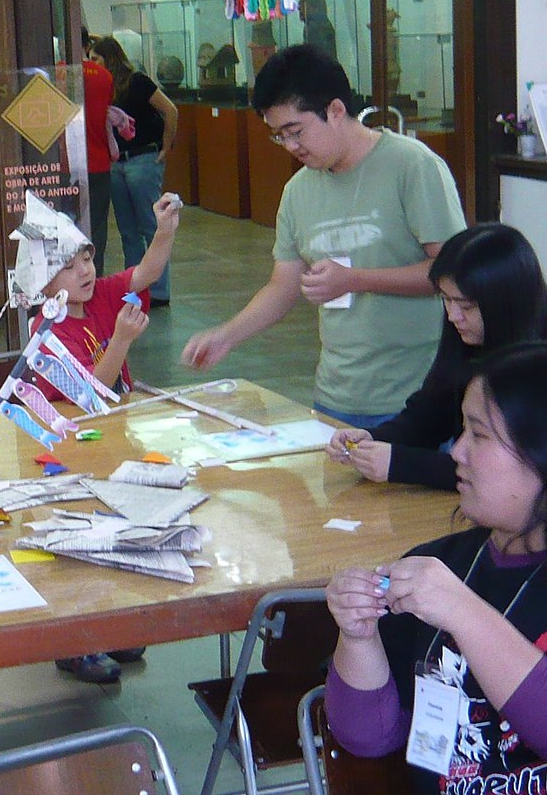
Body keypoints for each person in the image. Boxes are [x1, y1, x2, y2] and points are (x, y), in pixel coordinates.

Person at [182, 44, 467, 427]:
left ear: (335, 110)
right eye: (278, 136)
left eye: (295, 131)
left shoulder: (413, 167)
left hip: (418, 396)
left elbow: (454, 273)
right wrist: (227, 335)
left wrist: (355, 279)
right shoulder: (299, 191)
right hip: (336, 396)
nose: (290, 147)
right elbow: (283, 287)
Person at [324, 343, 547, 793]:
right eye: (462, 430)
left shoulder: (445, 589)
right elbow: (369, 738)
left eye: (480, 435)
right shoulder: (441, 566)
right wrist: (357, 637)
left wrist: (461, 611)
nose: (457, 452)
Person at [11, 190, 181, 683]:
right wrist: (124, 340)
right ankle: (75, 641)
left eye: (86, 256)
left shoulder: (98, 297)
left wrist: (165, 230)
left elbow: (144, 273)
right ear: (44, 282)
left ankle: (109, 626)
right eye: (69, 265)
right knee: (76, 545)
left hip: (107, 443)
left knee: (117, 535)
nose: (85, 270)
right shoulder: (48, 327)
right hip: (63, 455)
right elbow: (88, 395)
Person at [328, 224, 547, 491]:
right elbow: (428, 416)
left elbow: (520, 471)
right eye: (446, 300)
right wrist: (371, 439)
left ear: (503, 302)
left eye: (466, 305)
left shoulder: (536, 361)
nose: (454, 315)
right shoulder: (464, 335)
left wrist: (402, 464)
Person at [91, 36, 178, 305]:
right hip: (117, 163)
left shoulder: (137, 81)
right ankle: (135, 288)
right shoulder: (103, 87)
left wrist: (166, 146)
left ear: (109, 57)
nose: (92, 64)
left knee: (150, 225)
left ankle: (159, 290)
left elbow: (170, 110)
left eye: (96, 58)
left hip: (142, 159)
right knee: (128, 230)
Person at [81, 27, 116, 276]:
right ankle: (94, 280)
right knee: (97, 232)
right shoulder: (103, 76)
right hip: (99, 163)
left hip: (65, 166)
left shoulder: (55, 75)